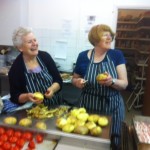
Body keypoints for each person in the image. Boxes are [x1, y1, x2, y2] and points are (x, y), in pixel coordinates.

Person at [72, 24, 128, 150]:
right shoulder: (82, 56)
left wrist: (112, 81)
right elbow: (74, 78)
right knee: (87, 139)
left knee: (113, 139)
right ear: (95, 39)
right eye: (105, 35)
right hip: (88, 105)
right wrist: (77, 82)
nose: (109, 38)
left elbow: (124, 83)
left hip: (112, 106)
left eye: (110, 35)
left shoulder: (116, 55)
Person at [8, 26, 62, 109]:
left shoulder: (45, 57)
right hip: (32, 112)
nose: (35, 44)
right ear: (20, 48)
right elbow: (15, 96)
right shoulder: (16, 68)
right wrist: (27, 96)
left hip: (55, 107)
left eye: (35, 40)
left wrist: (52, 89)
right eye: (30, 42)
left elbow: (58, 80)